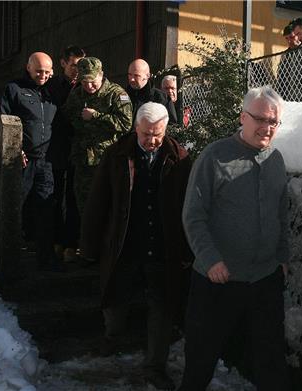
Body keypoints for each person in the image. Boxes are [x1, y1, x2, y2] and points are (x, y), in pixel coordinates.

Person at [180, 86, 290, 391]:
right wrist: (211, 259)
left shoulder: (276, 160)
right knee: (200, 361)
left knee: (271, 360)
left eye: (274, 122)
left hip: (264, 278)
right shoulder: (215, 156)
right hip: (218, 280)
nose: (267, 127)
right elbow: (193, 216)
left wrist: (282, 258)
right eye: (260, 119)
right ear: (243, 117)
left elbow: (282, 214)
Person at [80, 102, 192, 390]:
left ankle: (155, 366)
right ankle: (112, 336)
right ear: (135, 128)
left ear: (166, 129)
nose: (152, 141)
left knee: (162, 306)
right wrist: (89, 246)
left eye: (157, 134)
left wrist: (188, 249)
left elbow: (189, 207)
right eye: (146, 134)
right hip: (125, 244)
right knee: (116, 298)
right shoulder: (116, 155)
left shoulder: (179, 158)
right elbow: (98, 202)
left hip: (163, 247)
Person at [0, 52, 65, 272]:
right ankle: (8, 259)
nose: (42, 75)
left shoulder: (53, 91)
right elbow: (0, 121)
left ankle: (46, 258)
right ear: (29, 68)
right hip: (21, 161)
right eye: (38, 71)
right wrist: (15, 150)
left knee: (46, 208)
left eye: (47, 71)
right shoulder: (13, 89)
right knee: (15, 207)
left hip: (46, 161)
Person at [63, 57, 132, 217]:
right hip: (83, 161)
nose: (88, 85)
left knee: (106, 206)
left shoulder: (116, 94)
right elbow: (68, 115)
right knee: (84, 207)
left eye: (92, 80)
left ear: (101, 75)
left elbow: (125, 124)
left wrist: (97, 117)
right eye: (84, 81)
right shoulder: (77, 93)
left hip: (106, 160)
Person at [47, 45, 86, 263]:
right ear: (63, 63)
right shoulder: (52, 86)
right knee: (54, 197)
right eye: (73, 65)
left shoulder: (86, 86)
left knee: (74, 198)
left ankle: (72, 243)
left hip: (79, 150)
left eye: (81, 65)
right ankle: (55, 241)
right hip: (56, 149)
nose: (77, 70)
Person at [126, 59, 177, 126]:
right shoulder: (123, 96)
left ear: (147, 76)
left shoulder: (161, 98)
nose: (132, 79)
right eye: (130, 75)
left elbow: (172, 125)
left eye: (136, 76)